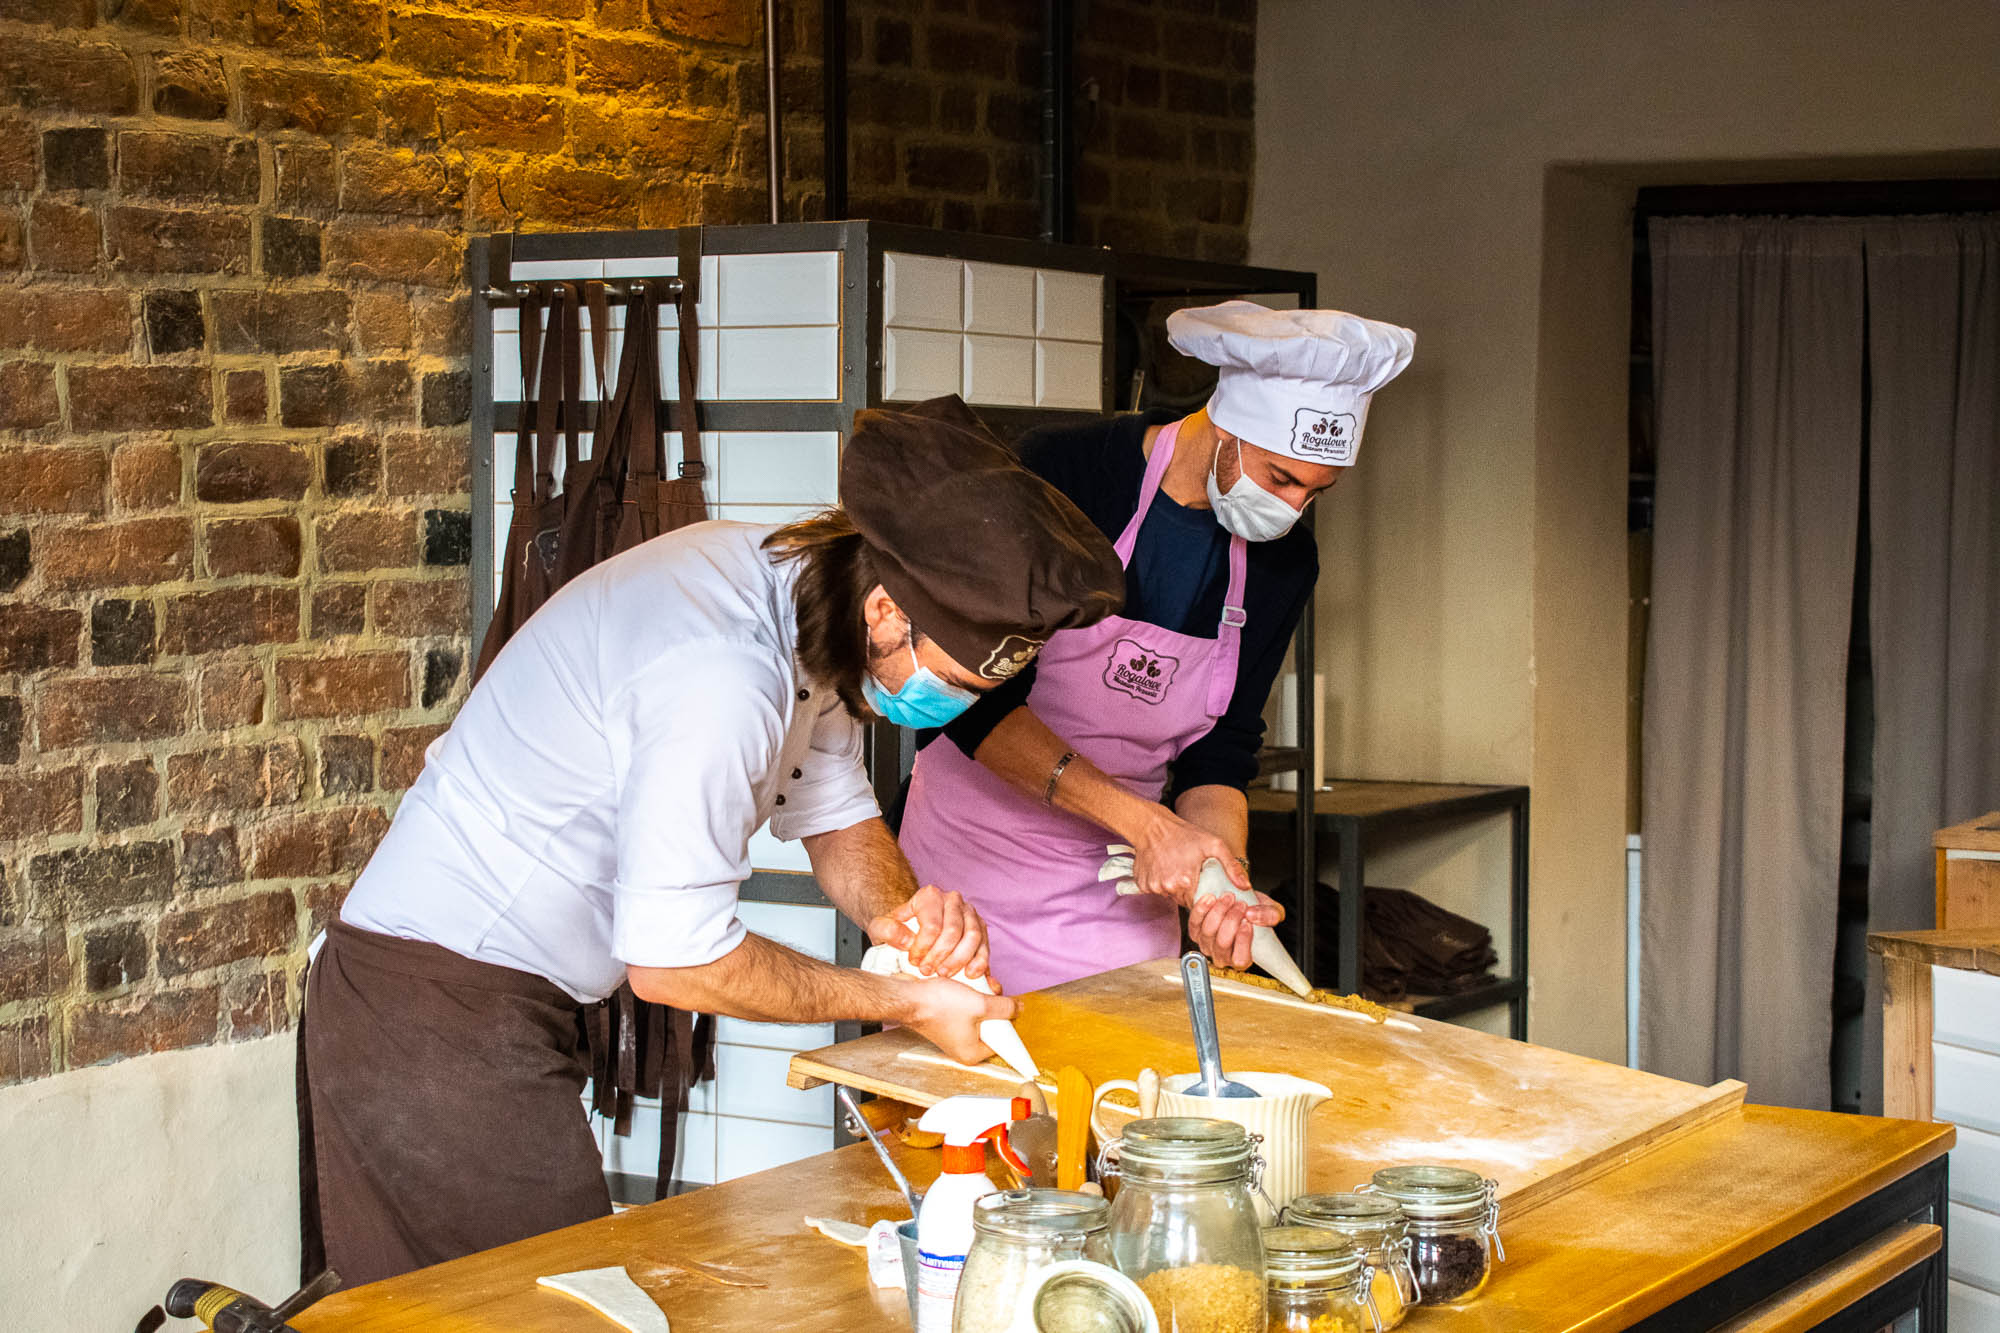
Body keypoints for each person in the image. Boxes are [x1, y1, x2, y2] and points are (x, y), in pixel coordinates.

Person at [300, 397, 1125, 1285]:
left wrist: (909, 924)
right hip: (427, 1010)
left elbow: (836, 815)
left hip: (496, 1002)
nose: (954, 708)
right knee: (539, 1307)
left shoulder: (811, 607)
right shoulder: (721, 672)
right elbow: (675, 963)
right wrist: (916, 1004)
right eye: (955, 682)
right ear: (888, 607)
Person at [896, 302, 1416, 994]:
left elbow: (1222, 746)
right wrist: (1144, 824)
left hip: (1123, 895)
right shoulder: (1063, 475)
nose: (1291, 510)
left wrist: (1218, 876)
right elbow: (967, 703)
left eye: (1317, 492)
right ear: (1226, 423)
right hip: (968, 882)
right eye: (1280, 478)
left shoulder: (1282, 562)